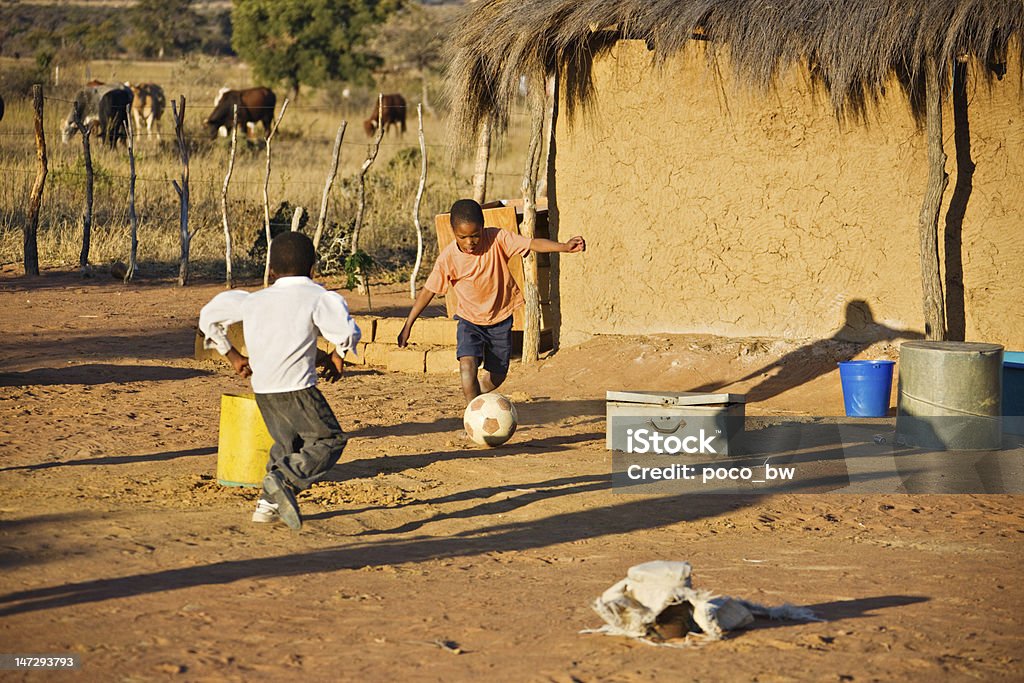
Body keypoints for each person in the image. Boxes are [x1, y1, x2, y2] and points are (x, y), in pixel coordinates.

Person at [198, 232, 360, 530]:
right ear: (314, 269)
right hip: (298, 388)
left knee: (288, 444)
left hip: (264, 390)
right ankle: (284, 479)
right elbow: (347, 332)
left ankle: (267, 505)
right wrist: (338, 356)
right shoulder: (316, 296)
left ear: (270, 270)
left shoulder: (254, 300)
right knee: (329, 440)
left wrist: (233, 356)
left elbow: (208, 317)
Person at [398, 198, 585, 401]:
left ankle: (477, 400)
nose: (470, 242)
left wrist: (564, 247)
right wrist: (408, 324)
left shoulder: (497, 238)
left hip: (500, 320)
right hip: (469, 321)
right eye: (463, 237)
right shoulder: (448, 258)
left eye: (475, 236)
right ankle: (473, 418)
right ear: (453, 232)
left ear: (483, 228)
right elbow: (428, 291)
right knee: (467, 368)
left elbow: (532, 243)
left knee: (497, 376)